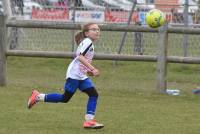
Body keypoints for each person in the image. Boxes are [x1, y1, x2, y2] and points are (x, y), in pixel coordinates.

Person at [27, 22, 104, 129]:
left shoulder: (88, 42)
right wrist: (93, 68)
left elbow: (81, 60)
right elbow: (80, 57)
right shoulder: (87, 42)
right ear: (86, 33)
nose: (97, 31)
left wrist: (88, 71)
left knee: (93, 94)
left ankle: (89, 121)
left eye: (98, 29)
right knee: (65, 98)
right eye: (94, 29)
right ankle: (38, 96)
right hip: (74, 75)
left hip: (81, 75)